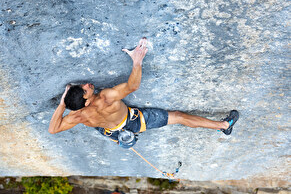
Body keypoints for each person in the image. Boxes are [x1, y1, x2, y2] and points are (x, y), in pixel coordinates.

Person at [49, 37, 239, 147]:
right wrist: (137, 61)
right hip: (134, 121)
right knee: (178, 117)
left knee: (105, 127)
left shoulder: (77, 116)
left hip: (110, 131)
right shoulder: (106, 97)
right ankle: (223, 125)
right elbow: (132, 86)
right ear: (87, 102)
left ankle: (118, 136)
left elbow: (53, 129)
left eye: (83, 86)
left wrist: (62, 104)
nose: (88, 85)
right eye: (86, 91)